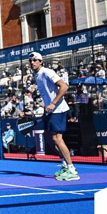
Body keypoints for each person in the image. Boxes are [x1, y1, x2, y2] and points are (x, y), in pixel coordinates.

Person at [28, 52, 79, 181]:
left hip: (58, 109)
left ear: (41, 61)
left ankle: (72, 170)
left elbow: (64, 86)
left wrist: (53, 103)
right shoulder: (37, 75)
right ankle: (65, 165)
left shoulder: (47, 71)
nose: (32, 62)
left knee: (57, 138)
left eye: (35, 60)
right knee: (50, 138)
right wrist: (44, 104)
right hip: (50, 110)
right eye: (31, 61)